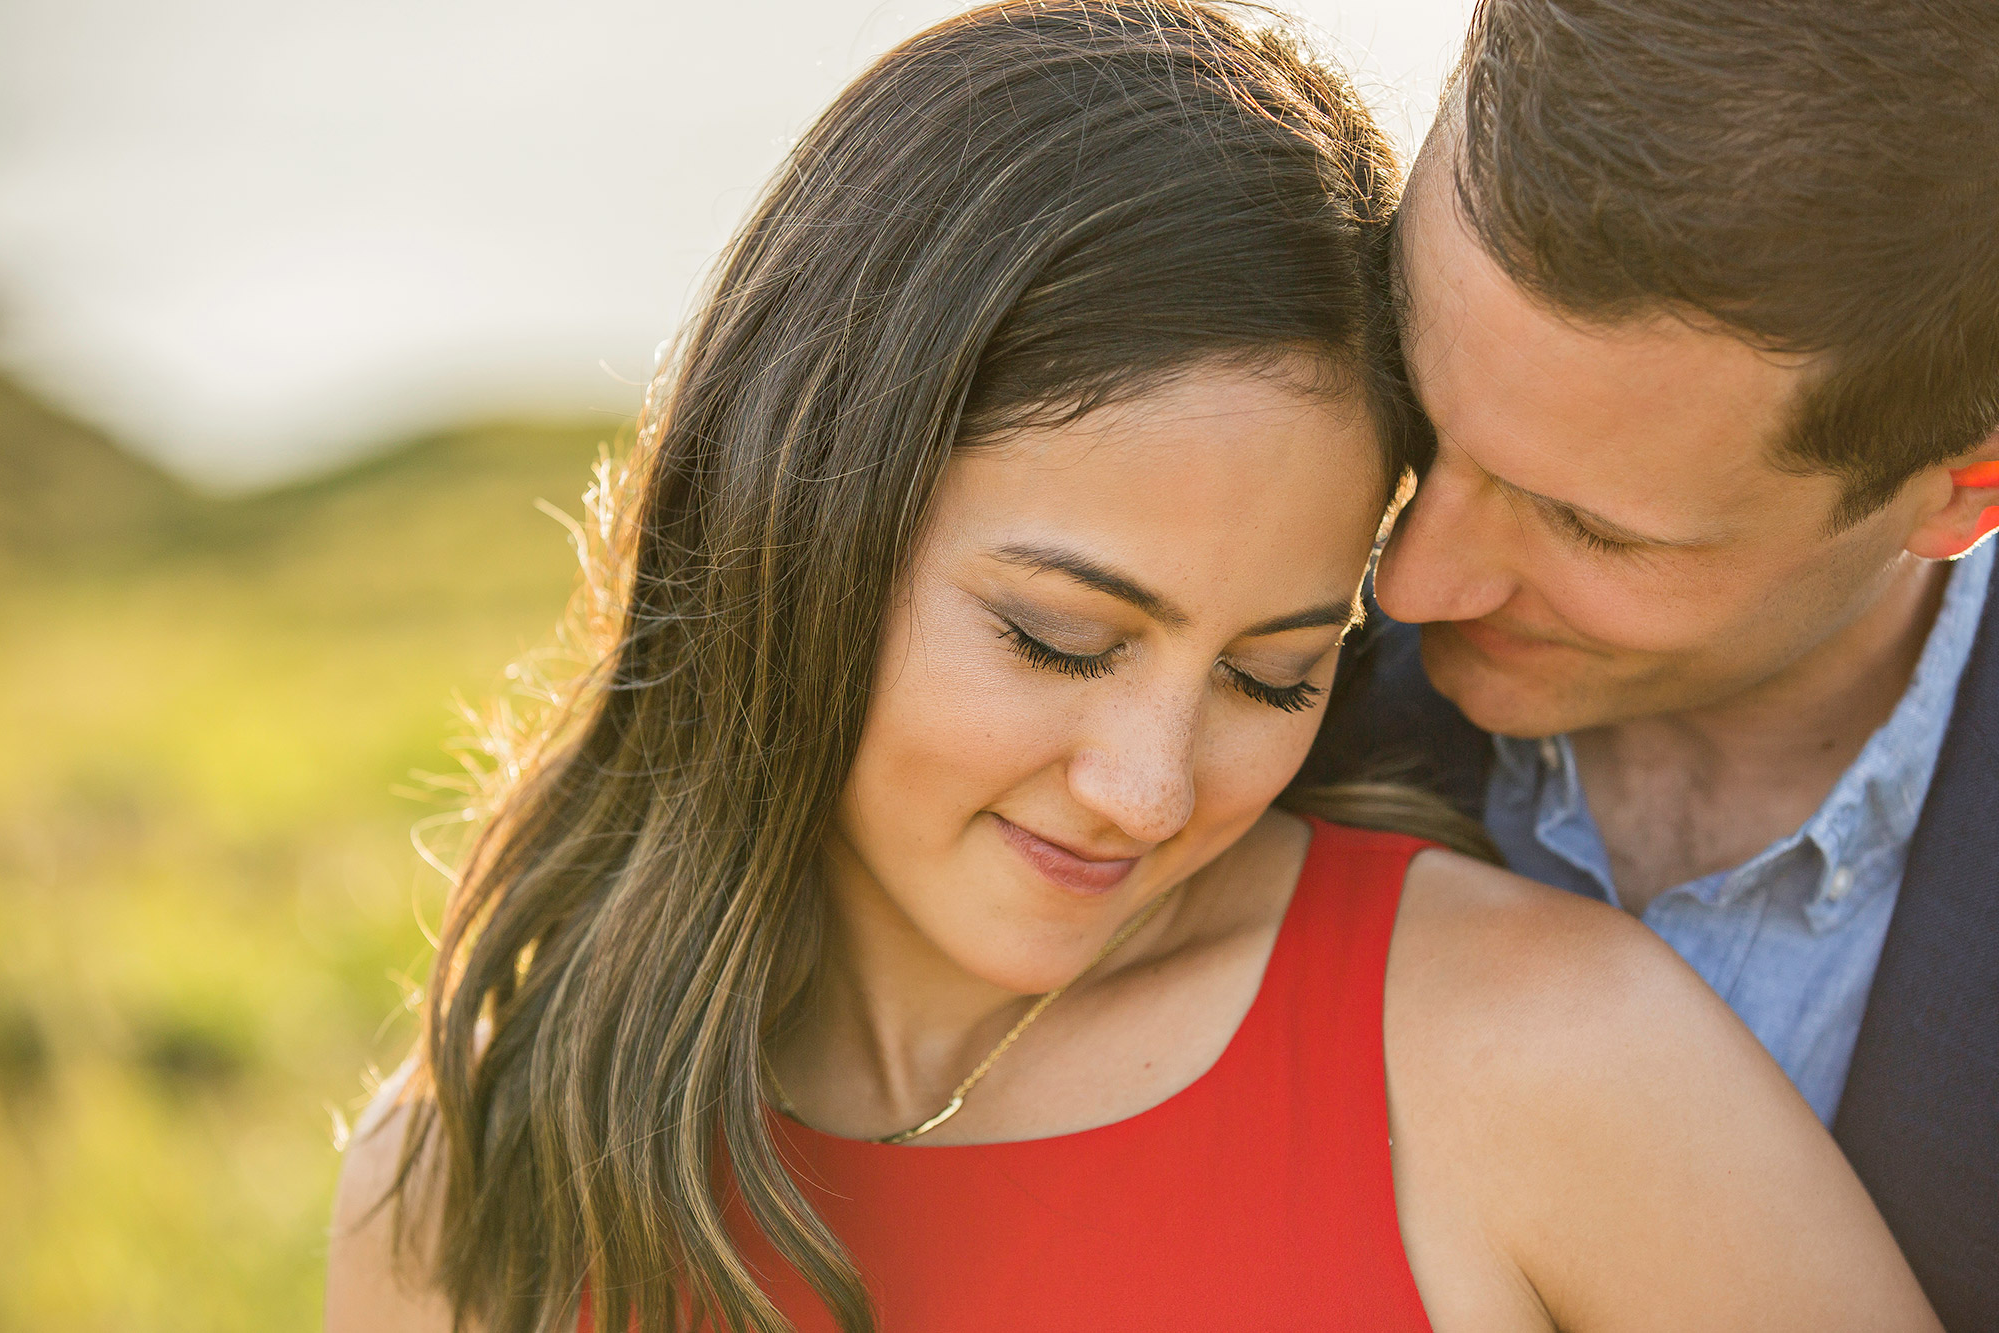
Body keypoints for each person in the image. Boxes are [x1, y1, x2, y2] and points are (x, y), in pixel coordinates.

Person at [326, 4, 1938, 1331]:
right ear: (797, 521)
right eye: (1061, 639)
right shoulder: (459, 1191)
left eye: (1275, 674)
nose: (1153, 790)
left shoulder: (1551, 1062)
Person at [1307, 1, 1999, 1328]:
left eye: (1588, 527)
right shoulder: (1234, 734)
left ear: (1962, 492)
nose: (1407, 582)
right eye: (1420, 396)